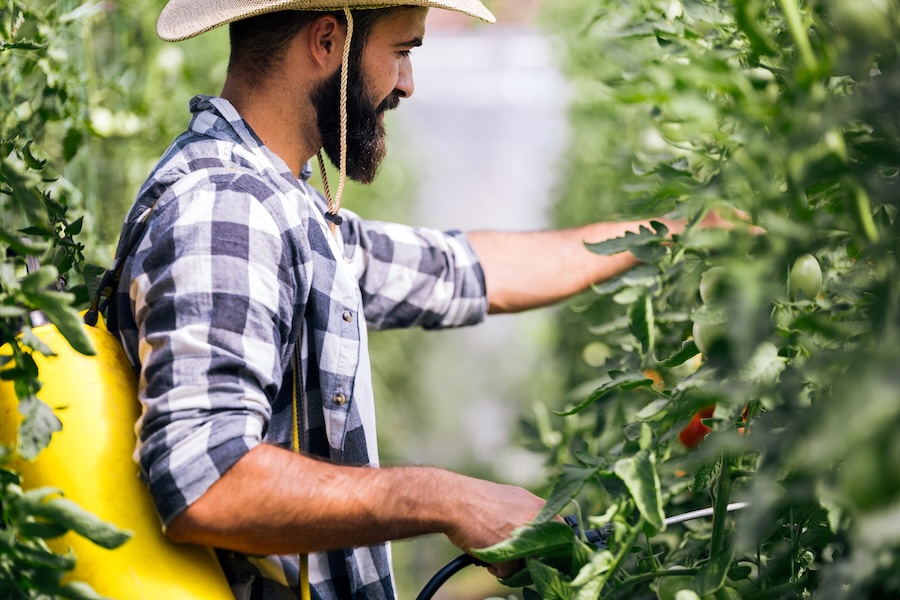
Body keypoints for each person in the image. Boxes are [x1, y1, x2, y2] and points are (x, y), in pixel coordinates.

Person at [111, 1, 721, 598]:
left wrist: (669, 233)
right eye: (401, 51)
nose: (407, 83)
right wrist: (447, 499)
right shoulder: (228, 207)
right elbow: (205, 480)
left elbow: (462, 270)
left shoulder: (279, 205)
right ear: (328, 42)